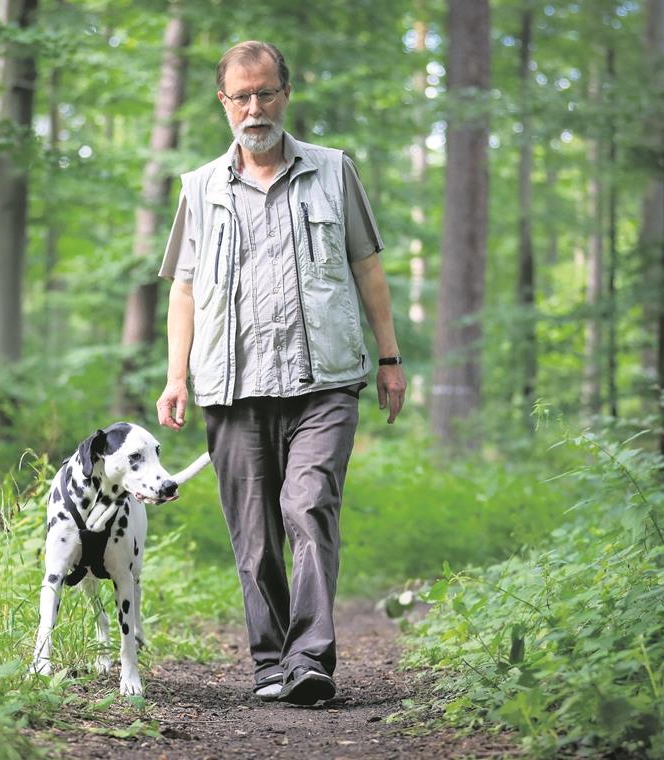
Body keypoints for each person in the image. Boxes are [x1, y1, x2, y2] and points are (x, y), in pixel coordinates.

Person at [155, 41, 406, 706]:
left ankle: (310, 659)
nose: (254, 107)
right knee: (255, 530)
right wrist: (175, 376)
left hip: (323, 379)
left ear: (285, 94)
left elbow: (367, 268)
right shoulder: (200, 189)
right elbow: (182, 290)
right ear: (224, 103)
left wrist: (389, 357)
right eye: (241, 95)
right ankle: (269, 661)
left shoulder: (332, 172)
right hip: (232, 385)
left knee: (308, 504)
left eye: (265, 92)